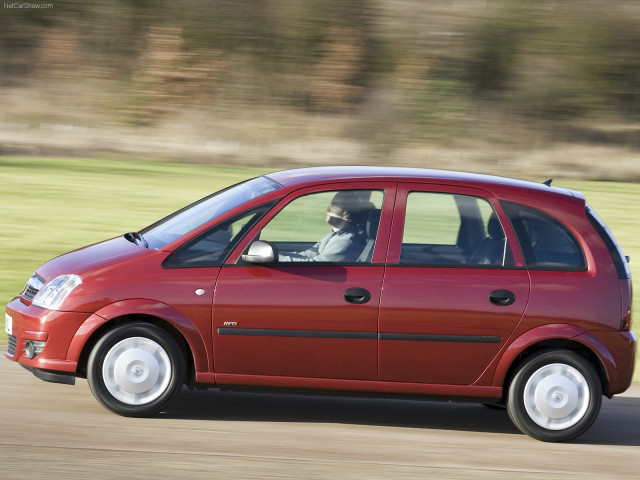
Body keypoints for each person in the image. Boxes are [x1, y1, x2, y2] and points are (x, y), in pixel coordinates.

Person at [278, 191, 367, 262]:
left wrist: (276, 259)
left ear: (346, 215)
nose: (327, 208)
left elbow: (314, 266)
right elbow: (307, 255)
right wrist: (275, 255)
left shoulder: (345, 242)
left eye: (334, 205)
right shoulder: (335, 235)